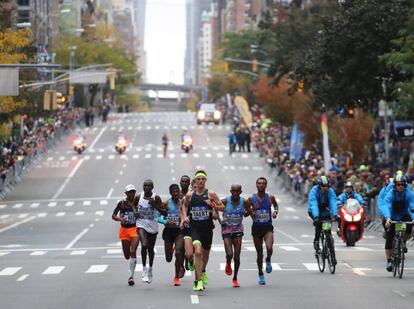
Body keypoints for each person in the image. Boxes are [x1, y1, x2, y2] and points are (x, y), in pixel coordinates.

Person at [180, 170, 224, 291]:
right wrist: (184, 218)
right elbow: (183, 205)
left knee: (205, 254)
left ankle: (203, 270)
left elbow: (223, 208)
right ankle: (198, 281)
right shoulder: (190, 195)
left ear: (205, 181)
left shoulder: (211, 194)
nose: (200, 181)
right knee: (197, 251)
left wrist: (214, 205)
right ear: (195, 181)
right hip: (194, 228)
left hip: (207, 228)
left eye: (202, 179)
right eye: (198, 179)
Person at [218, 184, 253, 288]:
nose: (235, 193)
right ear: (230, 191)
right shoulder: (225, 201)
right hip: (227, 231)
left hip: (238, 230)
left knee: (237, 257)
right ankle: (228, 262)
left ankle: (235, 278)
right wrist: (221, 220)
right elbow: (215, 208)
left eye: (237, 191)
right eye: (233, 191)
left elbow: (248, 212)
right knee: (230, 254)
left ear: (240, 192)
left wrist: (249, 213)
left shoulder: (244, 201)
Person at [247, 177, 279, 285]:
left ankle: (268, 259)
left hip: (267, 227)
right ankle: (260, 273)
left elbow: (276, 206)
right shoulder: (251, 199)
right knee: (259, 253)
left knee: (269, 248)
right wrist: (252, 211)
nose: (261, 185)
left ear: (266, 185)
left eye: (263, 183)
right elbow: (245, 213)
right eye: (259, 183)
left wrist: (275, 212)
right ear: (256, 185)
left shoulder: (270, 197)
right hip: (256, 228)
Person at [135, 179, 166, 283]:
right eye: (145, 185)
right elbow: (133, 206)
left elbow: (164, 213)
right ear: (143, 187)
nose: (147, 187)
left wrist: (155, 205)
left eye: (149, 186)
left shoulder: (156, 198)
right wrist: (135, 212)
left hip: (152, 226)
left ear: (152, 187)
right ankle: (143, 269)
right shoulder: (138, 196)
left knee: (150, 249)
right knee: (144, 245)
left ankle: (150, 269)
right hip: (141, 224)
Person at [382, 174, 414, 272]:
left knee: (409, 228)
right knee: (390, 237)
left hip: (403, 215)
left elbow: (412, 206)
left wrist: (413, 218)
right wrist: (387, 218)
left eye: (402, 185)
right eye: (398, 184)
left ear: (405, 185)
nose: (400, 186)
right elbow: (386, 205)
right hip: (392, 216)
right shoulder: (391, 194)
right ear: (395, 185)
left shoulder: (408, 193)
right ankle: (389, 261)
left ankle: (403, 242)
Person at [112, 184, 139, 286]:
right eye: (130, 192)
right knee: (127, 256)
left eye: (133, 192)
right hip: (124, 230)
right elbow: (113, 215)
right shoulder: (121, 203)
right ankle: (131, 271)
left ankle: (131, 276)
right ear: (126, 193)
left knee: (133, 251)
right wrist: (120, 219)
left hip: (134, 229)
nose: (132, 194)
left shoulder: (137, 203)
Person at [307, 176, 338, 264]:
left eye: (327, 186)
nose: (325, 188)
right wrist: (316, 217)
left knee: (327, 229)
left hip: (325, 210)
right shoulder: (314, 191)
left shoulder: (330, 191)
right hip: (314, 210)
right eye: (323, 186)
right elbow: (314, 204)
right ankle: (316, 240)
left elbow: (333, 202)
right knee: (319, 225)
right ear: (319, 186)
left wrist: (335, 215)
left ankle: (331, 249)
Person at [158, 184, 185, 286]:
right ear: (170, 193)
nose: (176, 193)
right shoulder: (166, 203)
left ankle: (176, 277)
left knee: (178, 253)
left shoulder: (183, 203)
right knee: (168, 258)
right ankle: (172, 248)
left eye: (177, 191)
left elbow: (187, 214)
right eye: (174, 192)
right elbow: (158, 217)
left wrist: (183, 220)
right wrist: (165, 222)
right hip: (168, 231)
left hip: (179, 231)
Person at [179, 175, 193, 272]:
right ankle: (181, 266)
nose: (184, 183)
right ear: (180, 182)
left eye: (186, 181)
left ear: (189, 183)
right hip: (179, 222)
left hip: (190, 222)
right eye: (182, 181)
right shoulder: (176, 193)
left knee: (189, 245)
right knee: (180, 246)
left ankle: (188, 260)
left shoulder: (191, 194)